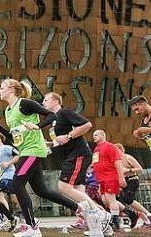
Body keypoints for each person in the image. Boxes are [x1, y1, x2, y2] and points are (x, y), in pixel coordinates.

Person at [0, 78, 102, 237]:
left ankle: (32, 227)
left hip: (34, 150)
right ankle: (81, 210)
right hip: (25, 150)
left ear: (11, 89)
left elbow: (51, 115)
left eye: (1, 88)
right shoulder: (8, 111)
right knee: (41, 190)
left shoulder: (25, 104)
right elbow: (13, 137)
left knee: (17, 185)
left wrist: (37, 126)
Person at [40, 92, 108, 229]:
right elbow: (59, 141)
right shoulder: (53, 120)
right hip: (69, 154)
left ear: (55, 101)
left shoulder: (64, 113)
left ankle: (101, 213)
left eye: (46, 100)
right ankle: (93, 222)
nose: (43, 103)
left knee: (63, 187)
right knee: (78, 191)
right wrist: (48, 144)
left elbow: (87, 125)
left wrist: (69, 136)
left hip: (78, 153)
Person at [92, 129, 126, 232]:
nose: (94, 136)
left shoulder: (109, 146)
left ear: (103, 135)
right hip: (101, 178)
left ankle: (114, 220)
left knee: (110, 198)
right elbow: (96, 163)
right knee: (105, 200)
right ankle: (127, 211)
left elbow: (117, 162)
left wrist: (121, 177)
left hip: (110, 177)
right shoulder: (96, 149)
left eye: (96, 134)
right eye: (93, 135)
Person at [114, 143, 151, 228]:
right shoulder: (116, 160)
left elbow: (140, 168)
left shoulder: (128, 158)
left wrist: (128, 169)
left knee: (129, 199)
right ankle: (145, 220)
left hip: (132, 180)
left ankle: (148, 214)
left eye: (116, 151)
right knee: (123, 202)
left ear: (121, 150)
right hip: (122, 181)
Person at [0, 133, 19, 217]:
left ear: (0, 140)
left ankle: (8, 217)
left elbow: (18, 155)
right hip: (1, 176)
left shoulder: (7, 148)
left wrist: (8, 163)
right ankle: (15, 214)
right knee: (12, 196)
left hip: (9, 174)